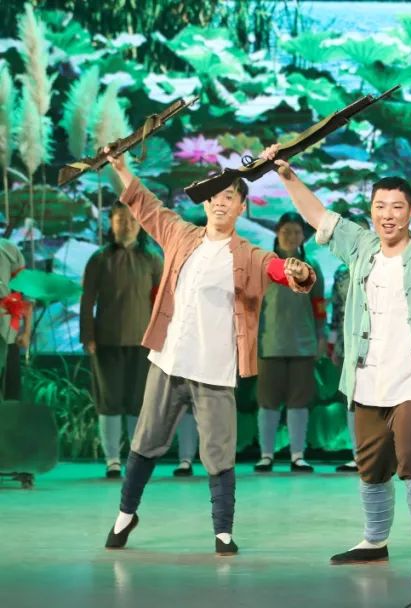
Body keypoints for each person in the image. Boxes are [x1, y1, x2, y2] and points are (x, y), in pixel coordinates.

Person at [263, 144, 411, 582]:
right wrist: (287, 176)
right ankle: (374, 540)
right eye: (380, 206)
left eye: (397, 207)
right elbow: (319, 217)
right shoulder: (361, 246)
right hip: (367, 381)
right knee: (370, 464)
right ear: (371, 211)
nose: (388, 215)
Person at [102, 148, 315, 556]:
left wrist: (298, 271)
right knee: (145, 441)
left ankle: (223, 531)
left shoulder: (248, 253)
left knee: (218, 451)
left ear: (241, 206)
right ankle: (126, 514)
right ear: (206, 202)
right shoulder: (180, 235)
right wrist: (122, 168)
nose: (220, 202)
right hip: (169, 360)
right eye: (215, 196)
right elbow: (146, 205)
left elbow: (279, 269)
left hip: (214, 369)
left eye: (229, 197)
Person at [81, 204, 163, 479]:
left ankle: (135, 458)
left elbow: (162, 302)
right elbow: (87, 300)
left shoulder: (152, 259)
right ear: (111, 223)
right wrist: (88, 336)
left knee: (138, 401)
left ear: (140, 225)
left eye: (132, 220)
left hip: (143, 342)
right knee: (110, 400)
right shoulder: (99, 259)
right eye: (120, 220)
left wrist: (162, 337)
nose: (126, 225)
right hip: (107, 341)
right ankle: (112, 459)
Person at [254, 212, 327, 474]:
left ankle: (298, 455)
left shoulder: (312, 266)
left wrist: (321, 337)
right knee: (268, 401)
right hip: (269, 344)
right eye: (286, 231)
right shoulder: (265, 265)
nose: (291, 237)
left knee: (299, 401)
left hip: (303, 344)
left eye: (296, 232)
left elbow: (319, 306)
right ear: (277, 233)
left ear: (303, 237)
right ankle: (266, 455)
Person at [329, 262, 361, 473]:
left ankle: (381, 453)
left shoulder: (381, 264)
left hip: (377, 344)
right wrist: (332, 344)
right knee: (351, 400)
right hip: (346, 344)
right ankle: (358, 455)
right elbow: (336, 309)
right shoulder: (341, 272)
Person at [0, 238, 31, 397]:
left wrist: (26, 332)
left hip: (6, 332)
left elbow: (25, 293)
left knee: (10, 391)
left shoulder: (9, 249)